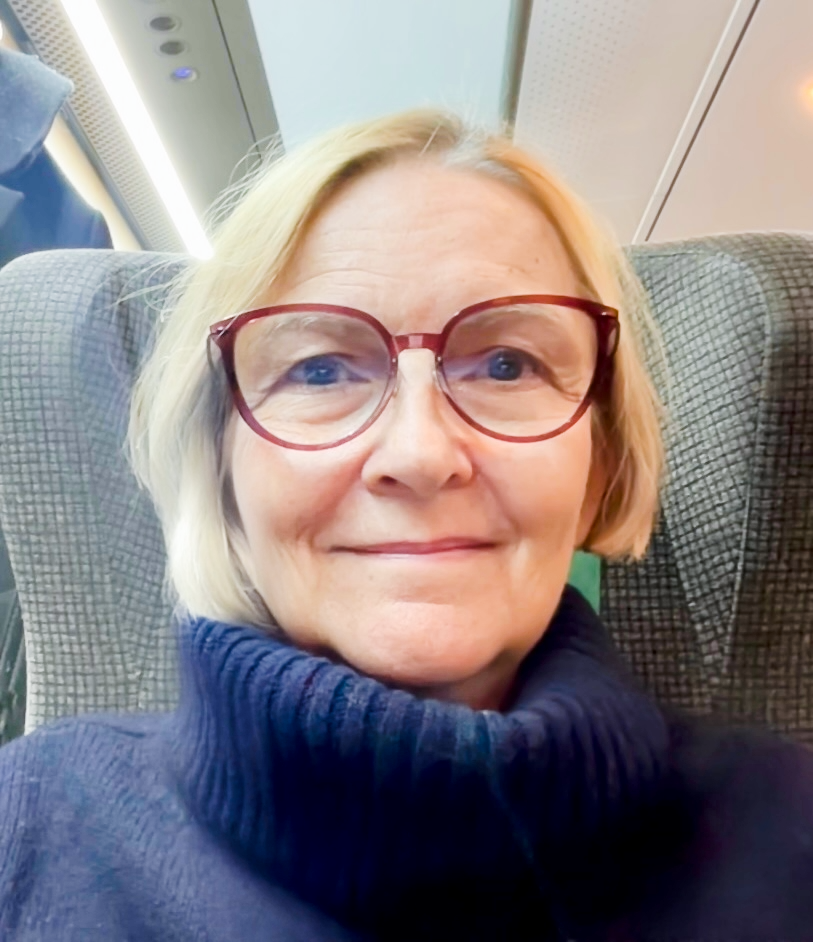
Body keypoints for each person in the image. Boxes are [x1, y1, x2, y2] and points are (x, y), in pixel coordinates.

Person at [1, 109, 812, 942]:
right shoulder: (22, 827)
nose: (420, 454)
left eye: (507, 365)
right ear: (221, 470)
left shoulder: (792, 832)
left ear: (598, 463)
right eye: (319, 371)